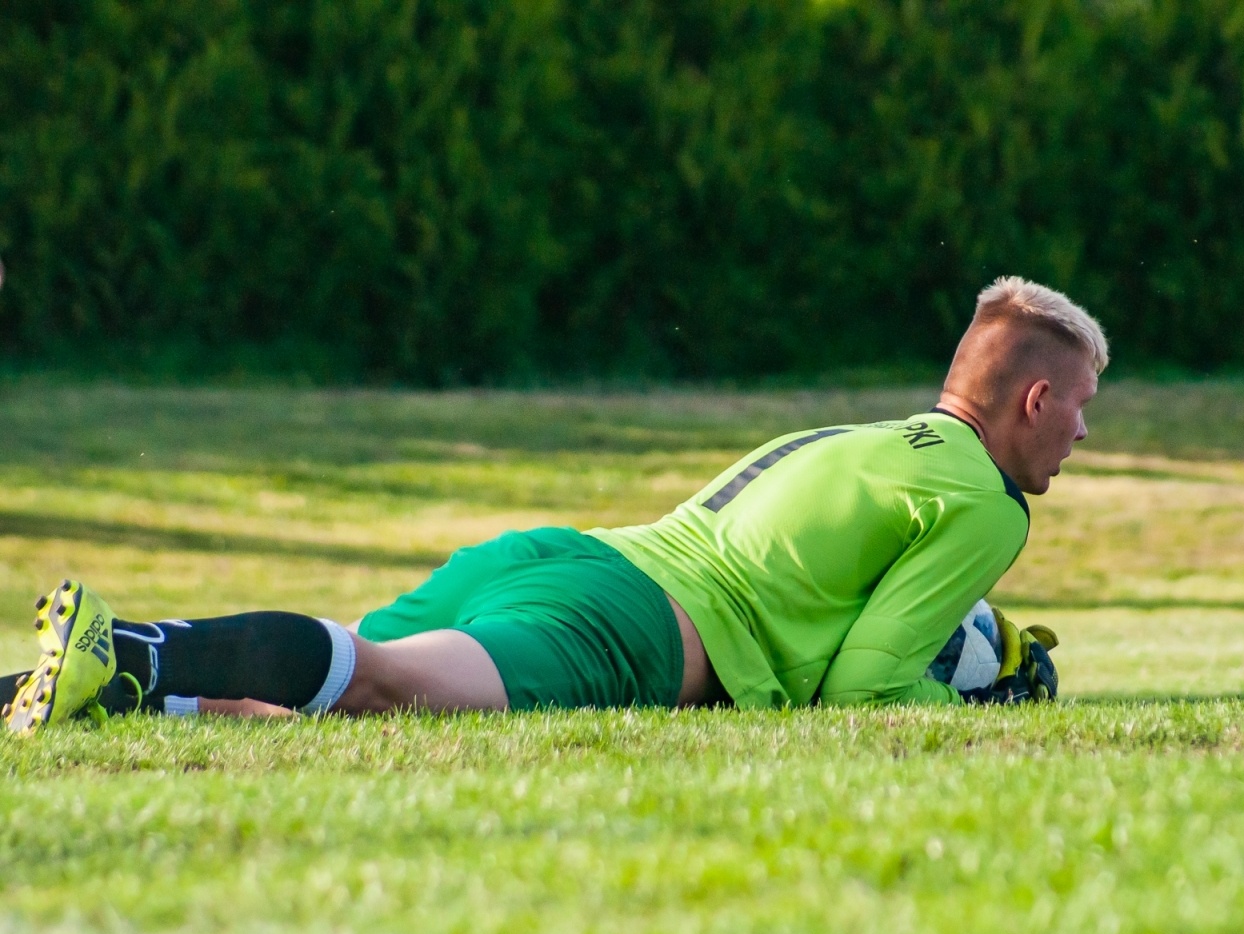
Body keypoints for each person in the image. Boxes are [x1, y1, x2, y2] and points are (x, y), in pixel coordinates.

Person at [3, 277, 1104, 734]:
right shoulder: (987, 500)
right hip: (629, 622)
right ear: (1036, 397)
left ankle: (37, 687)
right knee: (378, 679)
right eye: (1082, 409)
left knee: (328, 705)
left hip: (558, 557)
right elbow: (862, 683)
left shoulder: (864, 436)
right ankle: (134, 648)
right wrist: (959, 705)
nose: (1083, 435)